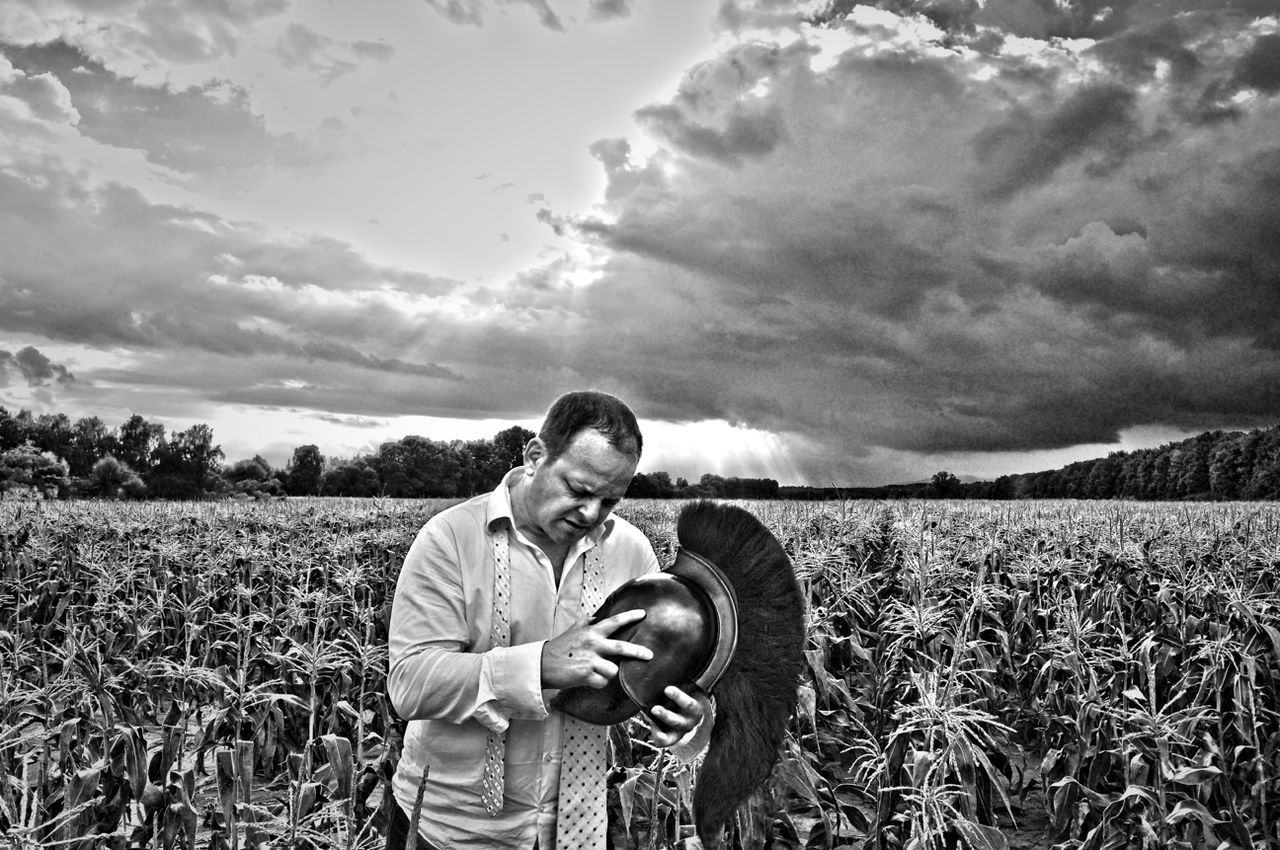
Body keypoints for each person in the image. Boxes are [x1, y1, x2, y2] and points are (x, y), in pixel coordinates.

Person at [385, 390, 706, 850]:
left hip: (579, 828)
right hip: (449, 831)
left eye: (610, 500)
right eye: (578, 490)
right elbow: (411, 684)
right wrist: (540, 665)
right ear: (535, 456)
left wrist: (683, 723)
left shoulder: (631, 553)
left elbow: (651, 678)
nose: (592, 513)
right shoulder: (449, 538)